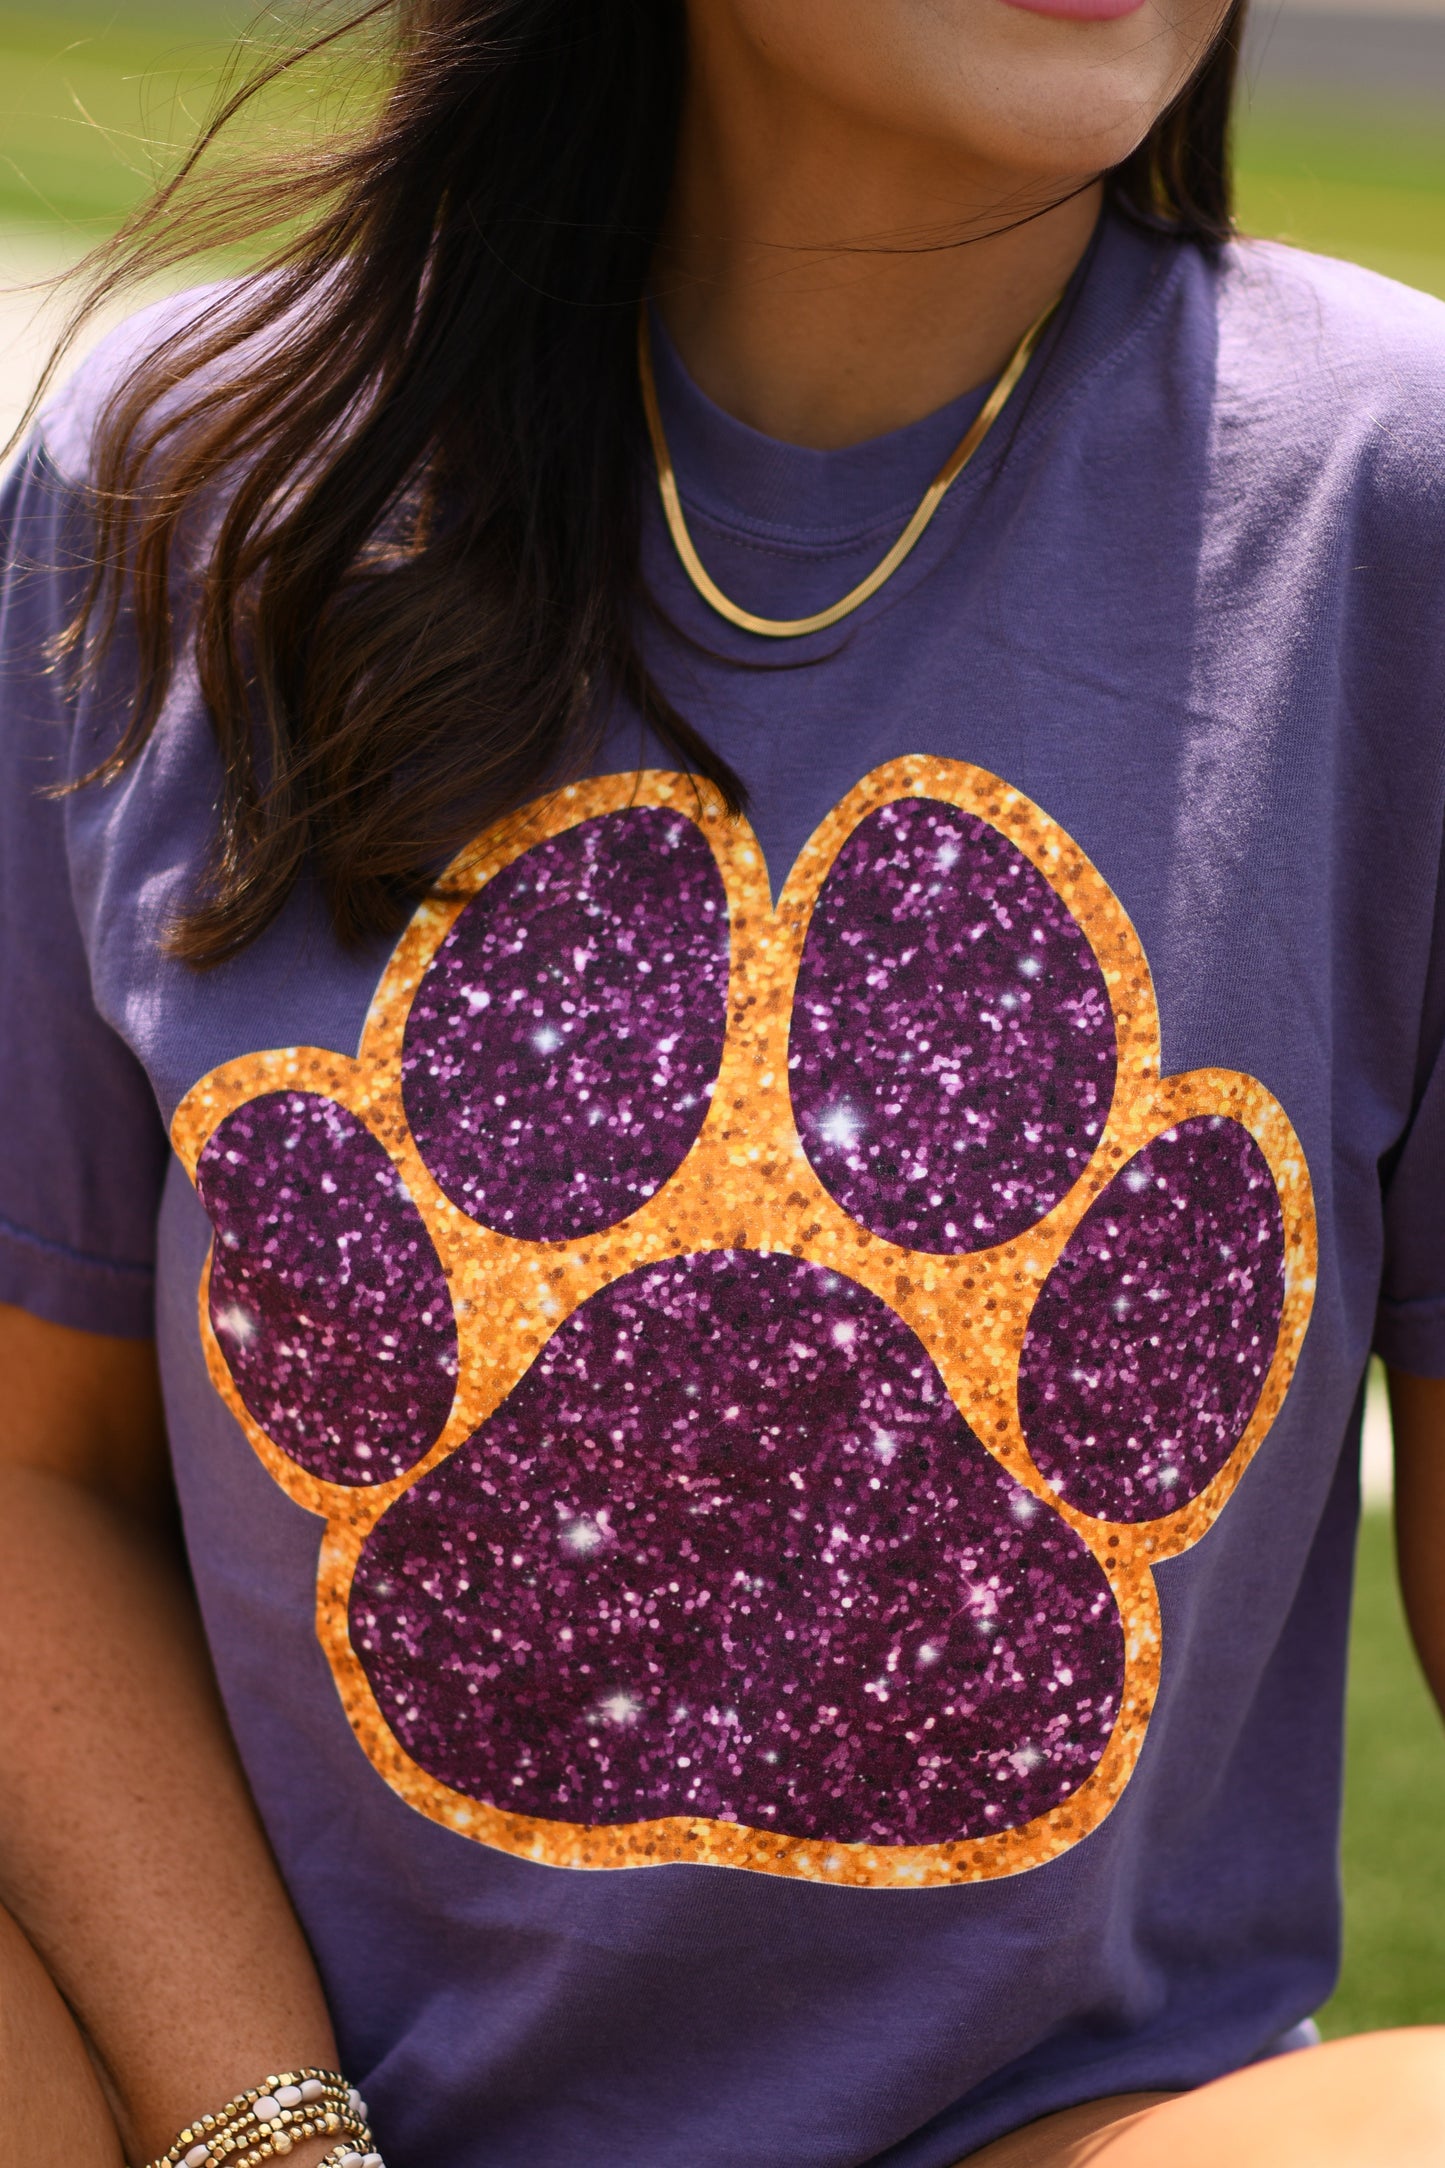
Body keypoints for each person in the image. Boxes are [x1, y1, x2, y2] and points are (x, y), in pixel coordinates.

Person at [3, 0, 1445, 2160]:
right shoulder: (183, 483)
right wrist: (271, 2135)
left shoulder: (1387, 503)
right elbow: (33, 1474)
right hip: (272, 2095)